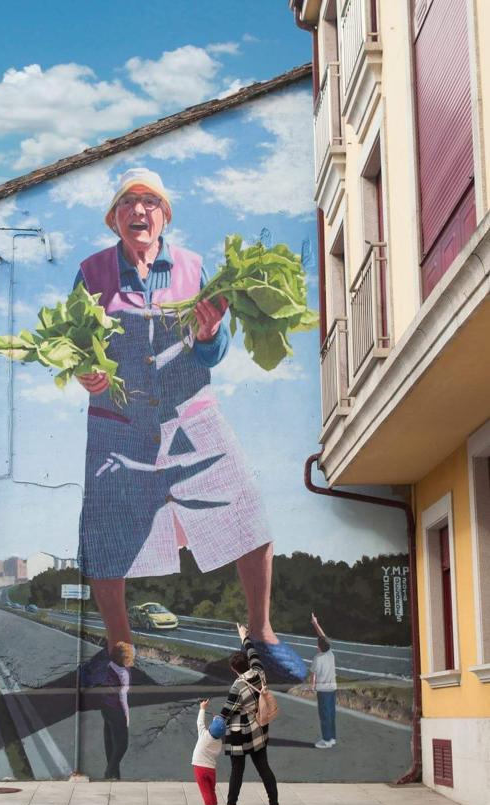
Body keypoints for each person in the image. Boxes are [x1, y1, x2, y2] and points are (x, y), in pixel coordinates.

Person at [74, 167, 306, 684]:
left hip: (192, 418)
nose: (140, 211)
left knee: (248, 512)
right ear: (114, 219)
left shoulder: (195, 268)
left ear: (165, 216)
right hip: (119, 424)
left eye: (150, 202)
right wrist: (86, 370)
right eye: (129, 203)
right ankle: (119, 649)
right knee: (104, 536)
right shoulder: (91, 273)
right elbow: (76, 340)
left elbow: (215, 353)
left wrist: (209, 334)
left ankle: (262, 636)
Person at [219, 623, 279, 805]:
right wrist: (244, 637)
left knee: (237, 770)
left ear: (233, 669)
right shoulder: (259, 671)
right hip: (259, 728)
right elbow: (253, 653)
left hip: (240, 733)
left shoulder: (238, 686)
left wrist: (212, 724)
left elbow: (227, 712)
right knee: (264, 767)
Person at [99, 641, 134, 779]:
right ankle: (109, 773)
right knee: (122, 744)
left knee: (110, 742)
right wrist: (126, 716)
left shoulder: (109, 666)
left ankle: (115, 775)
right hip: (116, 709)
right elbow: (122, 696)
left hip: (105, 708)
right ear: (124, 657)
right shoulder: (123, 673)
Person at [192, 699, 225, 805]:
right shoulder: (218, 742)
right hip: (211, 769)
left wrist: (202, 708)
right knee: (211, 790)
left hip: (200, 768)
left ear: (210, 728)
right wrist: (219, 721)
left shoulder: (204, 735)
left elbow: (199, 722)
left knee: (205, 792)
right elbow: (218, 729)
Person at [310, 612, 337, 749]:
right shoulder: (330, 653)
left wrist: (313, 686)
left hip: (323, 690)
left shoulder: (317, 658)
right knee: (331, 713)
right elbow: (323, 636)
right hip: (332, 688)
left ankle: (326, 740)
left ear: (319, 646)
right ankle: (332, 738)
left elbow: (313, 674)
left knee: (324, 715)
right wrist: (315, 623)